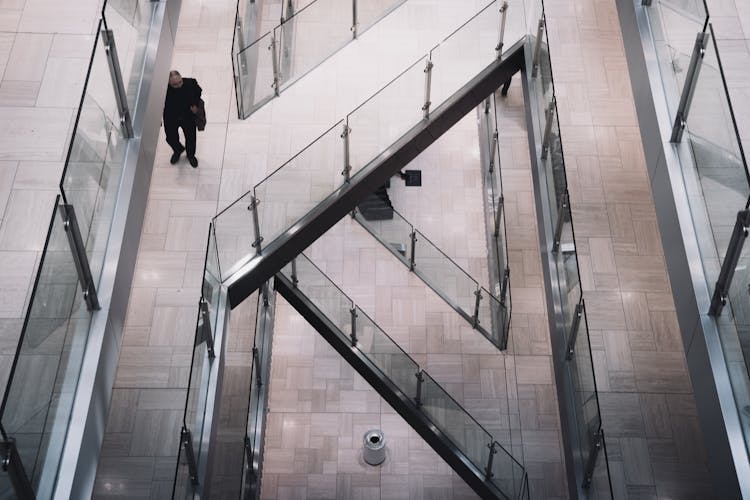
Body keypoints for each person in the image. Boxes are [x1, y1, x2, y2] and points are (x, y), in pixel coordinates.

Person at [163, 70, 202, 168]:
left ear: (181, 78)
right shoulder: (163, 90)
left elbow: (198, 91)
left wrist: (195, 104)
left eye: (180, 82)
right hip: (171, 117)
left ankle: (190, 155)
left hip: (187, 116)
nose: (179, 85)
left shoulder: (190, 83)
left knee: (191, 137)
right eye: (175, 84)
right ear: (168, 83)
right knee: (170, 138)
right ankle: (178, 149)